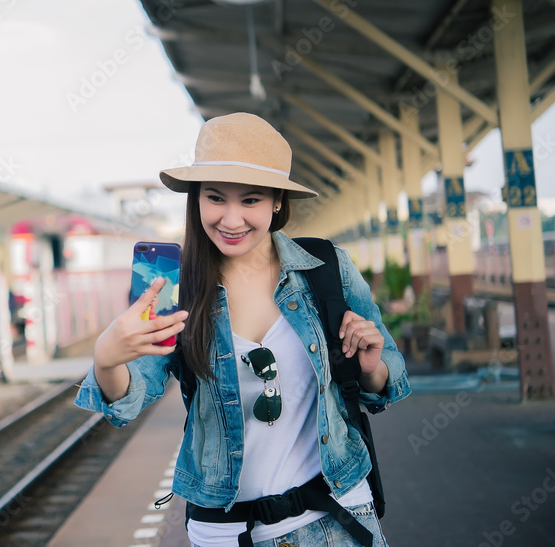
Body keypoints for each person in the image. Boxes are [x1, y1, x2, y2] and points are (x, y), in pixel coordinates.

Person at [75, 113, 411, 547]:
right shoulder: (178, 291)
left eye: (250, 201)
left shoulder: (327, 269)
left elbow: (389, 375)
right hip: (225, 534)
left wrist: (371, 368)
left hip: (337, 518)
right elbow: (131, 395)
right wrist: (107, 358)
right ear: (196, 199)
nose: (231, 219)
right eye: (216, 198)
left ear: (276, 202)